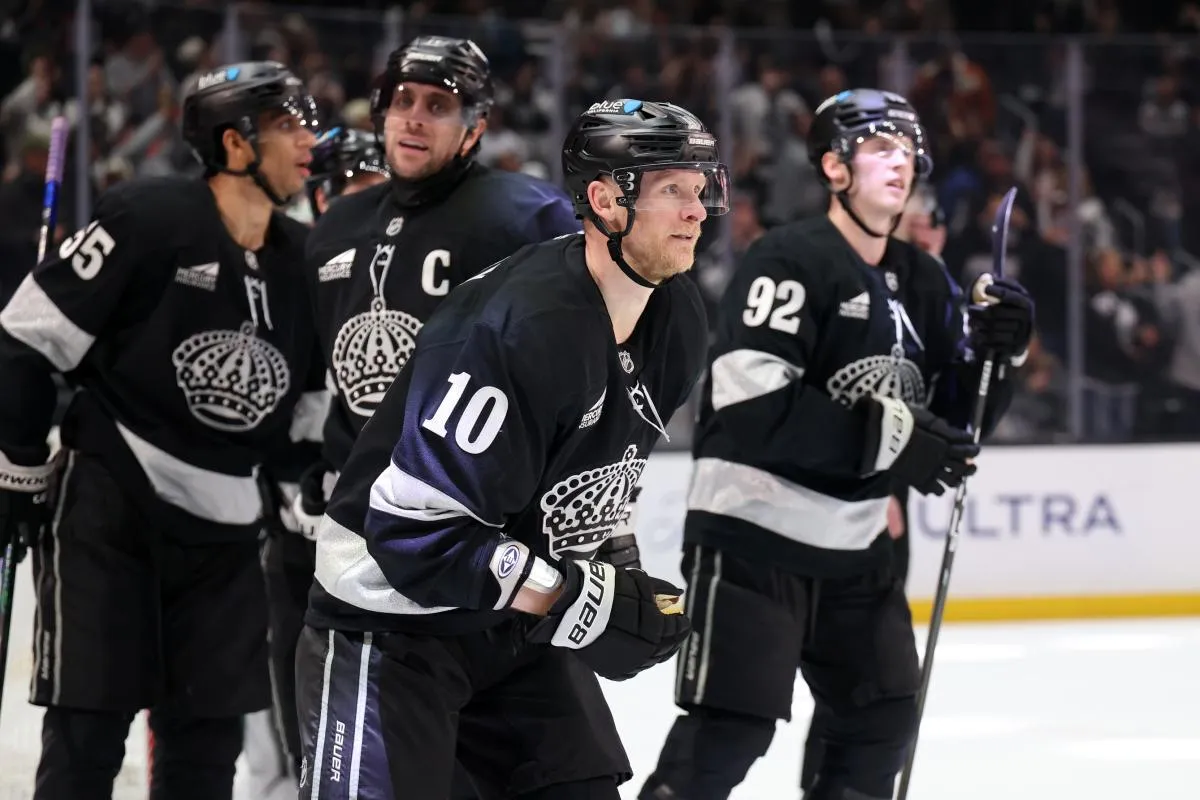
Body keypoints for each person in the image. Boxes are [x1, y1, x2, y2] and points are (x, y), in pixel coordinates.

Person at [292, 97, 725, 799]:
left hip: (504, 621)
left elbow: (602, 476)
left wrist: (615, 578)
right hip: (390, 618)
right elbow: (415, 534)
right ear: (605, 201)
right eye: (673, 189)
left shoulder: (677, 316)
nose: (697, 212)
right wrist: (573, 599)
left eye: (701, 190)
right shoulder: (514, 328)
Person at [638, 88, 1035, 800]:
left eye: (909, 151)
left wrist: (998, 361)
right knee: (731, 731)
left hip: (856, 550)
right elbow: (753, 403)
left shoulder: (924, 280)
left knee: (880, 720)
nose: (900, 162)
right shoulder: (787, 259)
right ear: (833, 167)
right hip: (751, 539)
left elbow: (953, 427)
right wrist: (891, 438)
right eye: (880, 146)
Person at [265, 36, 583, 796]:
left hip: (479, 546)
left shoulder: (527, 215)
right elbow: (318, 373)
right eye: (401, 102)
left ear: (474, 127)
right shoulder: (336, 230)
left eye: (437, 105)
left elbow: (574, 365)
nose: (413, 119)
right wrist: (302, 468)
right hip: (360, 554)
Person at [0, 61, 326, 800]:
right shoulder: (147, 217)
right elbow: (26, 339)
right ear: (235, 144)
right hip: (111, 512)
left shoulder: (302, 259)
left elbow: (303, 410)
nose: (309, 140)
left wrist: (306, 490)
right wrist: (18, 462)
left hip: (227, 536)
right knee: (88, 740)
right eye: (288, 124)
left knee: (207, 754)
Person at [796, 182, 950, 796]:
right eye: (917, 221)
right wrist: (873, 485)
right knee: (854, 678)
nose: (928, 231)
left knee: (875, 681)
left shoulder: (930, 294)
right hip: (846, 498)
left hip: (888, 493)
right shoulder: (849, 283)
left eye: (934, 222)